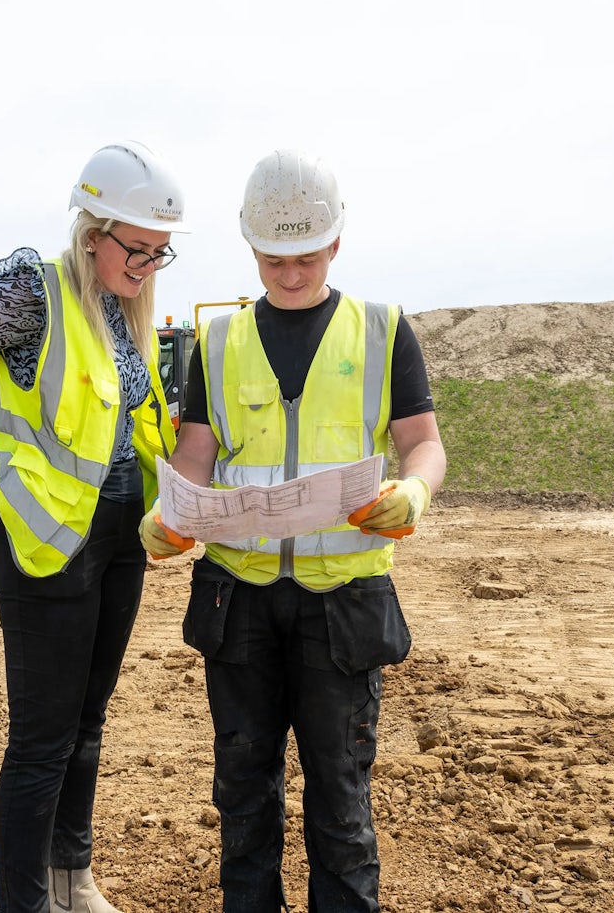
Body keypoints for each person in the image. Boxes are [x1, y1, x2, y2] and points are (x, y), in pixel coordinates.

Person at [140, 149, 447, 912]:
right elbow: (196, 455)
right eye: (275, 256)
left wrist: (415, 489)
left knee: (341, 802)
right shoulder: (218, 342)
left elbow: (423, 440)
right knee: (243, 794)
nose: (291, 271)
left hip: (341, 603)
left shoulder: (382, 331)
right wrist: (170, 513)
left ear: (336, 243)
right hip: (237, 602)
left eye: (306, 255)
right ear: (251, 246)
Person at [0, 141, 187, 913]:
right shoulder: (35, 291)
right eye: (138, 249)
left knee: (87, 723)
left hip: (120, 532)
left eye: (162, 254)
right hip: (47, 541)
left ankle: (71, 880)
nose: (148, 266)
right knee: (40, 744)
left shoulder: (127, 308)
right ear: (93, 231)